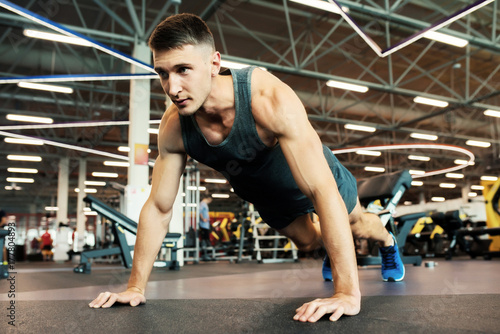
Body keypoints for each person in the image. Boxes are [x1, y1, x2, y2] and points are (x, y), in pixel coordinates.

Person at [89, 13, 405, 322]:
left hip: (315, 180)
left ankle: (388, 240)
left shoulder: (267, 99)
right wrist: (135, 287)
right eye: (163, 73)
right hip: (268, 199)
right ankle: (334, 250)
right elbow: (159, 208)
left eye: (183, 69)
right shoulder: (174, 127)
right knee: (309, 242)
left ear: (213, 64)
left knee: (356, 223)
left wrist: (346, 293)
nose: (172, 88)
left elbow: (321, 191)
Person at [199, 194, 213, 261]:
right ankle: (204, 255)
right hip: (203, 225)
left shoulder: (205, 204)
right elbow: (200, 212)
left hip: (206, 225)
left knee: (207, 239)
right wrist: (203, 219)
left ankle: (207, 254)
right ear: (208, 199)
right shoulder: (202, 204)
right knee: (205, 239)